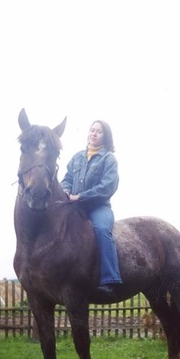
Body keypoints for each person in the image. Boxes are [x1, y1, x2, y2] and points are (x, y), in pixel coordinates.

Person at [61, 120, 122, 296]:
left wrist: (81, 196)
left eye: (99, 131)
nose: (94, 134)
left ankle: (110, 278)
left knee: (102, 230)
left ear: (105, 137)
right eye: (92, 130)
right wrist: (65, 189)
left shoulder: (108, 159)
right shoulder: (77, 157)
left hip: (99, 208)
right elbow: (67, 179)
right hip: (74, 207)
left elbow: (107, 186)